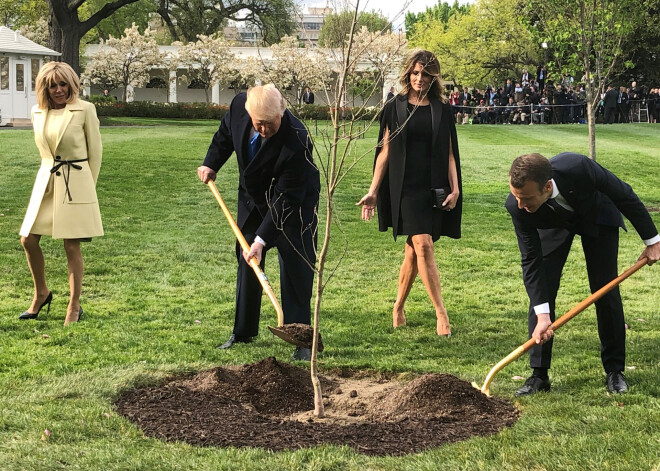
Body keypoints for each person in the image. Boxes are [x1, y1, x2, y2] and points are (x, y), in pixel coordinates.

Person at [506, 153, 660, 396]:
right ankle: (539, 374)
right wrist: (543, 315)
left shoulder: (580, 168)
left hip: (596, 214)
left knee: (605, 288)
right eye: (516, 196)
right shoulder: (518, 206)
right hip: (555, 221)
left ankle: (614, 370)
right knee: (542, 291)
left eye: (525, 198)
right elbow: (531, 261)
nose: (520, 205)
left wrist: (653, 241)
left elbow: (624, 194)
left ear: (547, 186)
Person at [197, 84, 319, 361]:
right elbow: (225, 136)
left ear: (282, 112)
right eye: (258, 124)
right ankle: (243, 331)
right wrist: (211, 162)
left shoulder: (297, 138)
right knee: (247, 261)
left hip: (293, 204)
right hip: (252, 199)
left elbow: (286, 197)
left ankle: (299, 337)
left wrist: (262, 240)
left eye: (270, 123)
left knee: (296, 265)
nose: (263, 129)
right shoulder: (240, 106)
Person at [357, 50, 462, 337]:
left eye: (425, 74)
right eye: (415, 73)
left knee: (414, 251)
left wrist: (455, 189)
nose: (419, 78)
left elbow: (451, 153)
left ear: (433, 77)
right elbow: (385, 150)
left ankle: (398, 306)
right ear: (408, 74)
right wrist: (373, 190)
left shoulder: (442, 109)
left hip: (433, 186)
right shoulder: (395, 106)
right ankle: (441, 313)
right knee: (424, 244)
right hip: (404, 187)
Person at [19, 61, 103, 326]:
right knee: (28, 239)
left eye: (63, 84)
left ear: (72, 84)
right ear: (44, 87)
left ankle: (74, 306)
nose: (58, 90)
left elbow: (96, 153)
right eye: (52, 85)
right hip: (45, 182)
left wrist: (88, 190)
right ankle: (42, 293)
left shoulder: (85, 110)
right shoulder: (37, 112)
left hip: (76, 183)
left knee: (71, 244)